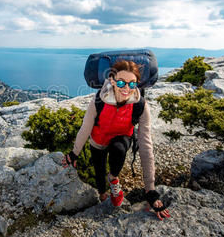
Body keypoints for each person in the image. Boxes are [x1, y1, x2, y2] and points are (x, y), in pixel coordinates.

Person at [62, 60, 170, 220]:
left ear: (137, 84)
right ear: (112, 80)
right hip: (98, 140)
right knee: (99, 170)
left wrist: (150, 190)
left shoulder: (140, 104)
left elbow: (146, 145)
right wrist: (74, 153)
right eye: (121, 82)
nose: (127, 88)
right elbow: (85, 127)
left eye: (132, 84)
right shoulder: (99, 100)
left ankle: (113, 179)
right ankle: (102, 193)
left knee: (119, 150)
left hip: (122, 137)